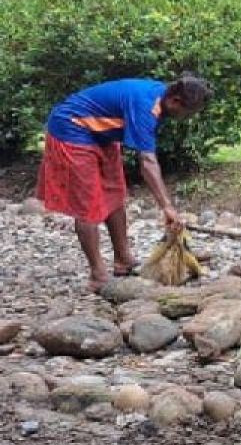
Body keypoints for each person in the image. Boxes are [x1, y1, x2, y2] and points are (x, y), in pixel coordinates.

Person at [37, 75, 212, 290]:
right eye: (188, 113)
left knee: (115, 194)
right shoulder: (145, 108)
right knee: (88, 203)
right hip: (72, 127)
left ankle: (123, 259)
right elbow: (148, 162)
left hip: (101, 134)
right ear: (175, 101)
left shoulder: (160, 96)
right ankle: (98, 274)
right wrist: (167, 207)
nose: (186, 118)